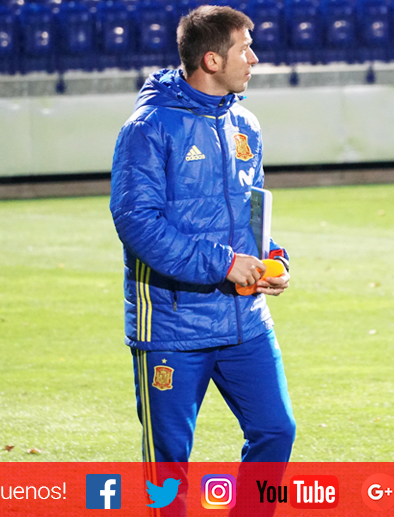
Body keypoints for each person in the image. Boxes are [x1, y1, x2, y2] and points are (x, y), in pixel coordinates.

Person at [109, 5, 296, 511]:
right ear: (212, 59)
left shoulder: (246, 124)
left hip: (244, 319)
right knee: (167, 464)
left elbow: (250, 210)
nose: (255, 59)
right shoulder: (148, 127)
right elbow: (137, 223)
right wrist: (223, 263)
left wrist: (269, 257)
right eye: (245, 48)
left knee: (276, 430)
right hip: (172, 325)